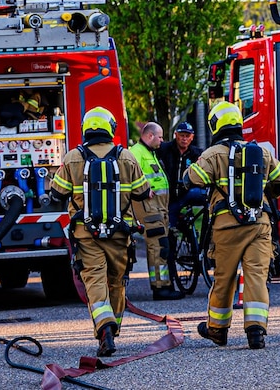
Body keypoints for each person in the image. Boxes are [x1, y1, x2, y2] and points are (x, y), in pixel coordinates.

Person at [47, 107, 151, 357]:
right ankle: (112, 329)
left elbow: (56, 194)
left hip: (86, 234)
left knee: (94, 279)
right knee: (116, 281)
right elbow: (143, 192)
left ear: (86, 129)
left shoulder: (73, 157)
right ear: (111, 128)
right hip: (120, 233)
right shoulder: (126, 156)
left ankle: (104, 328)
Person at [184, 102, 280, 349]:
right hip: (260, 224)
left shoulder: (212, 154)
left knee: (224, 278)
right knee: (256, 277)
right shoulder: (261, 152)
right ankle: (256, 332)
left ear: (215, 126)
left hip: (226, 226)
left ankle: (217, 330)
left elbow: (190, 179)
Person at [129, 122, 184, 300]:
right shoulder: (136, 152)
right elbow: (128, 176)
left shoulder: (149, 153)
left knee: (162, 246)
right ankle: (160, 288)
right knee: (158, 247)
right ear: (150, 136)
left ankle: (164, 285)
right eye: (159, 137)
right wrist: (144, 189)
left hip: (157, 208)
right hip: (148, 208)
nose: (162, 140)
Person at [160, 121, 204, 229]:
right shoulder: (164, 149)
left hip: (188, 193)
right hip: (170, 197)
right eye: (182, 135)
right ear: (176, 135)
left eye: (187, 136)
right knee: (170, 227)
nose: (184, 139)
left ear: (192, 137)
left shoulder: (197, 153)